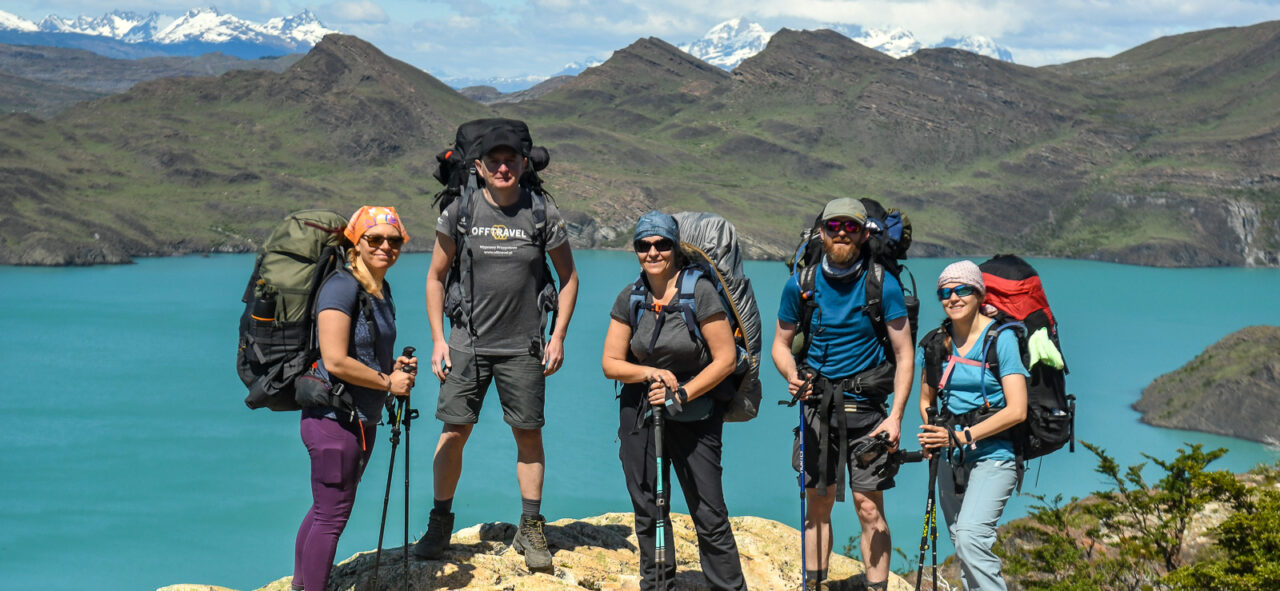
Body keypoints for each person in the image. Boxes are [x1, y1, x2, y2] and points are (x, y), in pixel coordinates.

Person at [413, 126, 579, 570]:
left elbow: (569, 278)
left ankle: (530, 527)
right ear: (479, 167)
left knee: (528, 435)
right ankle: (440, 522)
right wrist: (437, 340)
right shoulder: (459, 212)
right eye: (494, 160)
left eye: (511, 160)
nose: (503, 167)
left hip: (523, 346)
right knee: (454, 432)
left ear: (524, 165)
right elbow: (434, 277)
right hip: (466, 344)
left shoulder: (542, 214)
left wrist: (558, 335)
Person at [770, 198, 915, 591]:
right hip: (816, 407)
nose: (841, 234)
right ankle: (814, 585)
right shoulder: (800, 284)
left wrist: (896, 416)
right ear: (821, 232)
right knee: (817, 505)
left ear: (864, 233)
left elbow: (904, 354)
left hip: (868, 411)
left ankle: (876, 586)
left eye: (850, 227)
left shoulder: (882, 284)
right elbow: (780, 346)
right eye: (834, 227)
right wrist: (791, 374)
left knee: (869, 507)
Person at [601, 210, 747, 591]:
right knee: (649, 508)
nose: (653, 253)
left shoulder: (699, 291)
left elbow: (726, 359)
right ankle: (657, 585)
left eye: (662, 244)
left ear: (675, 248)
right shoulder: (631, 297)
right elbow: (611, 363)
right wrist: (650, 374)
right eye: (644, 246)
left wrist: (681, 392)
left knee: (708, 511)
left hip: (694, 411)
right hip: (640, 410)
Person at [293, 206, 418, 591]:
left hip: (360, 420)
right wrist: (387, 382)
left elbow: (363, 350)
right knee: (332, 517)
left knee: (325, 510)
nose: (385, 247)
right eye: (375, 239)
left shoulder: (379, 288)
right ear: (356, 241)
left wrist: (391, 365)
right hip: (333, 420)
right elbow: (334, 359)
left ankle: (301, 585)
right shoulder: (341, 286)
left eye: (393, 240)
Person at [917, 261, 1028, 591]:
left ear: (979, 293)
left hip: (996, 455)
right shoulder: (937, 343)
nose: (953, 297)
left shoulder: (1001, 340)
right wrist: (934, 433)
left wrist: (962, 436)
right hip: (953, 460)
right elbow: (926, 399)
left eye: (962, 289)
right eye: (945, 292)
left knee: (970, 537)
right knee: (963, 544)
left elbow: (1018, 409)